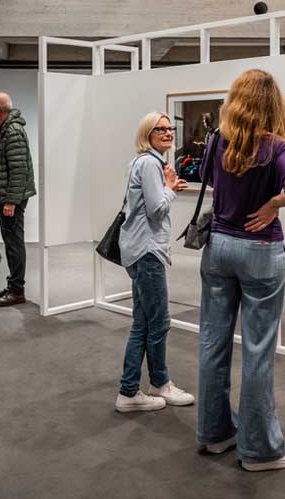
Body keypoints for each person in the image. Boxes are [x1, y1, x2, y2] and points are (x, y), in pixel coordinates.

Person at [196, 69, 285, 471]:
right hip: (260, 251)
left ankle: (215, 435)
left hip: (219, 248)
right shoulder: (280, 148)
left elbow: (206, 178)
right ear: (273, 103)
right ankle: (260, 450)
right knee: (258, 350)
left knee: (212, 342)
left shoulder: (218, 141)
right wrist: (272, 205)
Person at [114, 112, 194, 413]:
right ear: (147, 133)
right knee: (157, 322)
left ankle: (134, 389)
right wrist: (171, 189)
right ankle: (152, 385)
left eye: (170, 128)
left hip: (140, 250)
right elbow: (156, 210)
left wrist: (168, 186)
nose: (167, 133)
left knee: (143, 322)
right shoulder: (149, 163)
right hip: (147, 252)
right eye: (159, 129)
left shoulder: (146, 163)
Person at [0, 92, 37, 307]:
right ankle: (13, 285)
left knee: (14, 244)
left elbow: (19, 169)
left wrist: (11, 201)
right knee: (10, 243)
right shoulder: (3, 129)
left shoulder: (12, 131)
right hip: (7, 195)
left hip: (11, 198)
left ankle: (17, 290)